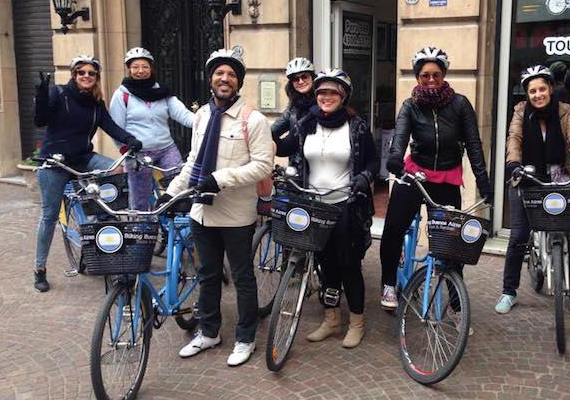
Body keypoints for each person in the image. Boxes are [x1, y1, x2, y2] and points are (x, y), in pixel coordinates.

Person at [162, 46, 273, 367]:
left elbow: (263, 167)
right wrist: (170, 193)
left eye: (231, 75)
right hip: (201, 211)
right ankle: (209, 332)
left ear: (239, 83)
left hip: (236, 215)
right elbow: (193, 162)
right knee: (207, 275)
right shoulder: (202, 116)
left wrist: (220, 178)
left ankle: (245, 337)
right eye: (219, 73)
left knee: (242, 278)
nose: (224, 79)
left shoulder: (253, 120)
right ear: (211, 78)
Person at [380, 46, 492, 310]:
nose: (431, 80)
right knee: (393, 228)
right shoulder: (410, 106)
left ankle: (455, 303)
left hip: (446, 179)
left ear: (444, 76)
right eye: (425, 75)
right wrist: (395, 159)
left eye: (436, 75)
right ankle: (388, 284)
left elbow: (474, 144)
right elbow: (400, 137)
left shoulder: (460, 104)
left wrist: (483, 181)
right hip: (415, 175)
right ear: (418, 77)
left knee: (450, 243)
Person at [275, 68, 378, 348]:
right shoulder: (307, 122)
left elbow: (372, 162)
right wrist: (262, 134)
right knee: (325, 265)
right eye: (321, 92)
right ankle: (331, 319)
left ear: (343, 96)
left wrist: (363, 178)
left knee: (348, 266)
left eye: (332, 92)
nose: (326, 97)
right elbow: (284, 147)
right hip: (314, 206)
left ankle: (356, 322)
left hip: (344, 205)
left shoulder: (355, 126)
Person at [496, 65, 570, 317]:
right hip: (526, 176)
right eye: (532, 91)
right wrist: (513, 164)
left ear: (550, 89)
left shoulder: (565, 112)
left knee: (566, 236)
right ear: (527, 93)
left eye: (542, 89)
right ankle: (509, 291)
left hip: (557, 177)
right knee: (518, 235)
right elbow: (514, 139)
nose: (538, 94)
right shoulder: (520, 111)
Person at [33, 55, 142, 292]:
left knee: (116, 167)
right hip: (55, 162)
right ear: (74, 75)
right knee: (49, 216)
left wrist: (130, 140)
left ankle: (103, 218)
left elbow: (110, 126)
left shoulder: (95, 103)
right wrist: (41, 98)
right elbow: (40, 120)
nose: (86, 76)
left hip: (83, 159)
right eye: (81, 72)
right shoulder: (58, 94)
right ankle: (39, 269)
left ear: (96, 78)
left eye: (91, 73)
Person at [109, 47, 194, 210]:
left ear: (151, 68)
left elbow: (183, 114)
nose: (140, 71)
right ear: (129, 69)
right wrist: (126, 150)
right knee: (140, 199)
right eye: (135, 67)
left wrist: (205, 121)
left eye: (145, 67)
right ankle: (142, 230)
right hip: (138, 153)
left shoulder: (161, 92)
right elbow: (116, 128)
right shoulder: (122, 95)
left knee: (180, 188)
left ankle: (176, 226)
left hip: (166, 148)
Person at [271, 57, 316, 170]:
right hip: (298, 169)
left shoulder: (324, 103)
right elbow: (273, 130)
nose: (301, 81)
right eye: (296, 79)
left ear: (312, 77)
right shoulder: (293, 109)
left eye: (304, 76)